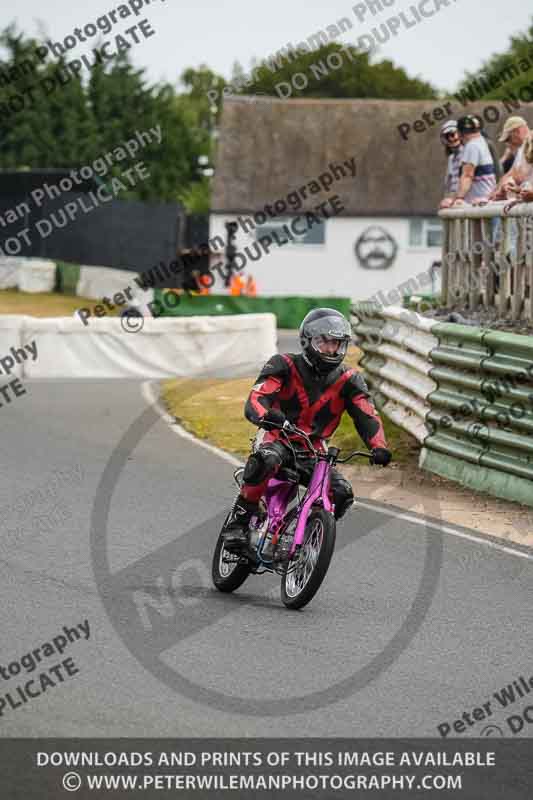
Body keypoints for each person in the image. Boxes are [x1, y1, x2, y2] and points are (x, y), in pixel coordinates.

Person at [222, 308, 392, 549]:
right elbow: (257, 399)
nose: (331, 350)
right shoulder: (283, 364)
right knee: (266, 460)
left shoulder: (351, 379)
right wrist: (268, 417)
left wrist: (379, 447)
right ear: (307, 342)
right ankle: (239, 522)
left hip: (314, 451)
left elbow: (367, 415)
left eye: (337, 344)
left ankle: (309, 531)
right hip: (276, 437)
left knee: (342, 493)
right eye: (324, 343)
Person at [451, 115, 496, 206]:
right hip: (487, 200)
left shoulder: (472, 146)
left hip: (479, 204)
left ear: (459, 133)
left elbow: (468, 175)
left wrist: (458, 198)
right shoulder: (482, 141)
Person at [487, 116, 530, 201]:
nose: (508, 144)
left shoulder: (528, 145)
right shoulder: (522, 148)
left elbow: (519, 176)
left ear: (518, 131)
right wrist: (495, 192)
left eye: (508, 139)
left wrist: (506, 186)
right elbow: (511, 173)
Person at [439, 120, 463, 209]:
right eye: (447, 136)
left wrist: (454, 198)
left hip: (465, 201)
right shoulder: (451, 158)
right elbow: (448, 184)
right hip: (454, 204)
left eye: (453, 134)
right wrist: (447, 198)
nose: (451, 138)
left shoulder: (467, 151)